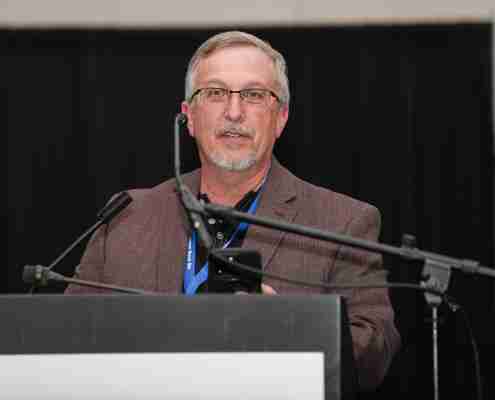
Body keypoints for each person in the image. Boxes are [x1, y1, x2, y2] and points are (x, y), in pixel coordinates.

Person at [65, 30, 400, 390]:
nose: (234, 112)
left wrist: (293, 327)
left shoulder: (343, 222)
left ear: (281, 117)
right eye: (215, 93)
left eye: (254, 95)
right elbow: (65, 334)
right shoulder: (128, 216)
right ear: (189, 116)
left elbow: (375, 353)